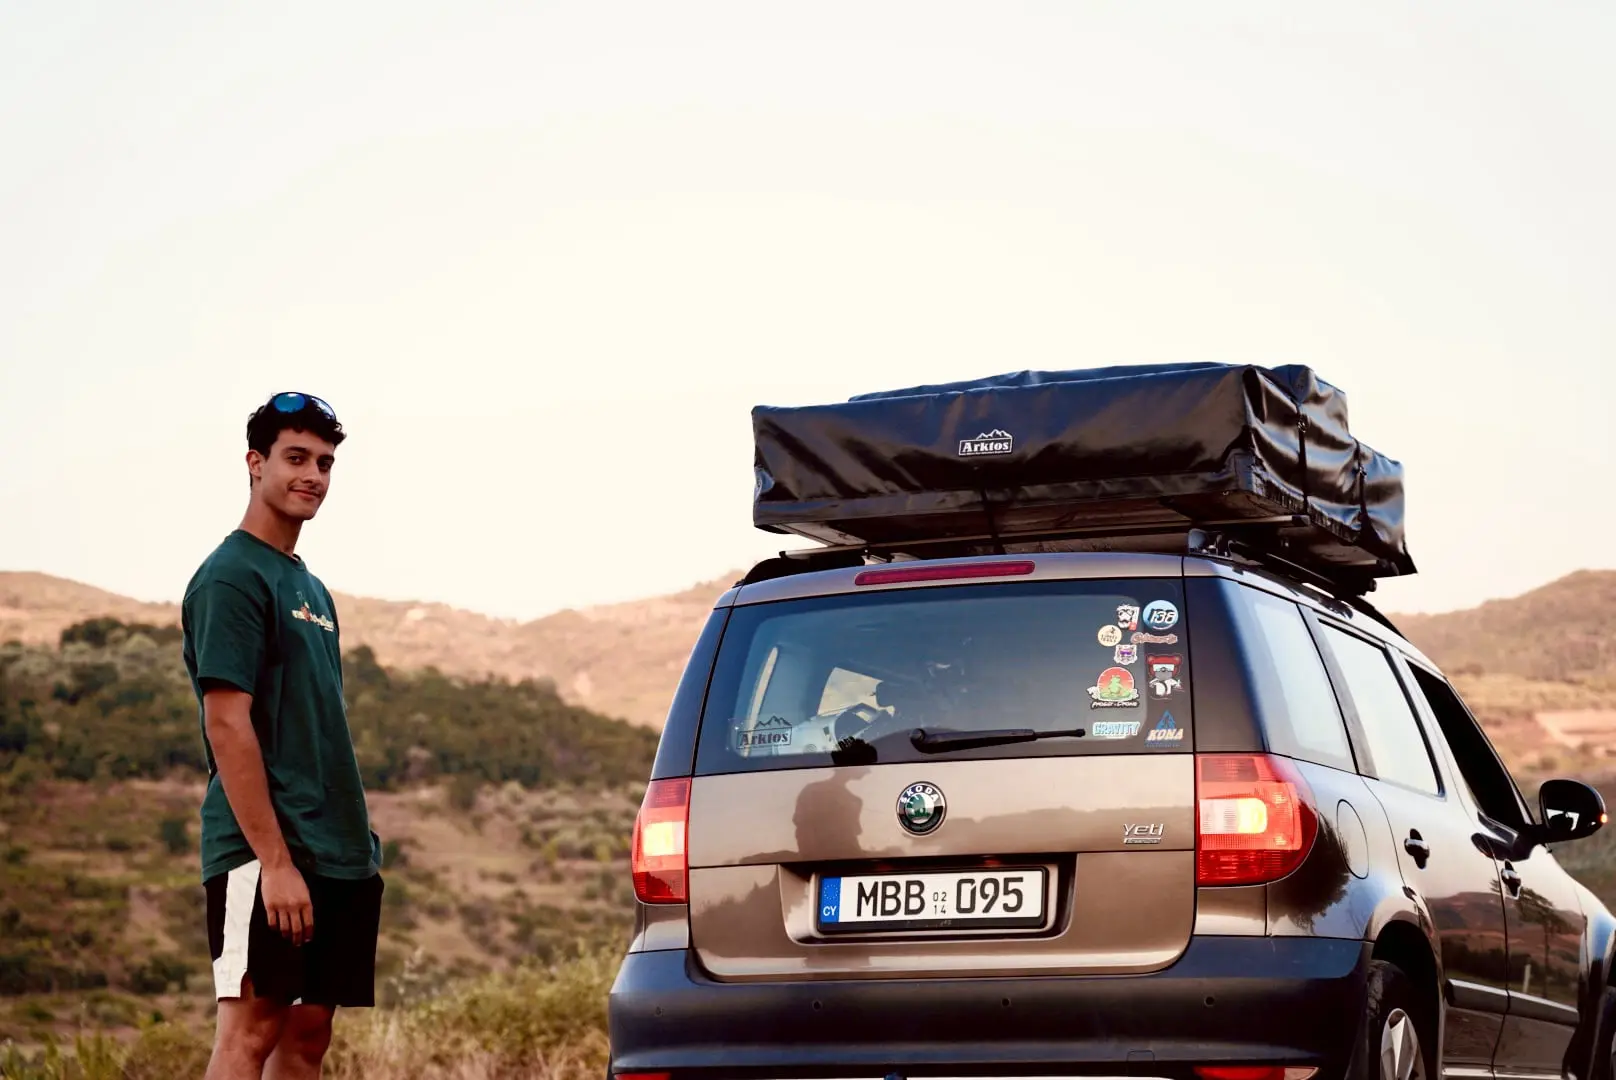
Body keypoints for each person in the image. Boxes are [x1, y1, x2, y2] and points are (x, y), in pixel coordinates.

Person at [181, 392, 384, 1080]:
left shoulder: (312, 590)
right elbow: (226, 723)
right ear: (254, 463)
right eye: (296, 458)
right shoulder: (231, 576)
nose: (314, 476)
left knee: (307, 1034)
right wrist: (274, 863)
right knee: (251, 1029)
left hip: (336, 850)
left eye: (325, 463)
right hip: (263, 852)